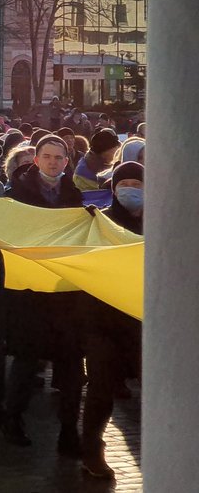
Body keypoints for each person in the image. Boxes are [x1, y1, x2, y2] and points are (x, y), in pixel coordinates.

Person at [2, 135, 86, 457]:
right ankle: (13, 420)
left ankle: (69, 431)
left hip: (64, 294)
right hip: (28, 294)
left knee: (71, 366)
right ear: (36, 160)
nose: (53, 162)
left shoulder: (73, 196)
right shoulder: (15, 197)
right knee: (26, 361)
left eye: (59, 157)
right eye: (47, 156)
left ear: (67, 162)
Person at [80, 160, 143, 479]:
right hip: (103, 323)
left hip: (143, 324)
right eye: (124, 184)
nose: (131, 190)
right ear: (113, 188)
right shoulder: (100, 224)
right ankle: (92, 452)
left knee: (156, 388)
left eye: (137, 184)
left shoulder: (156, 223)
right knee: (100, 391)